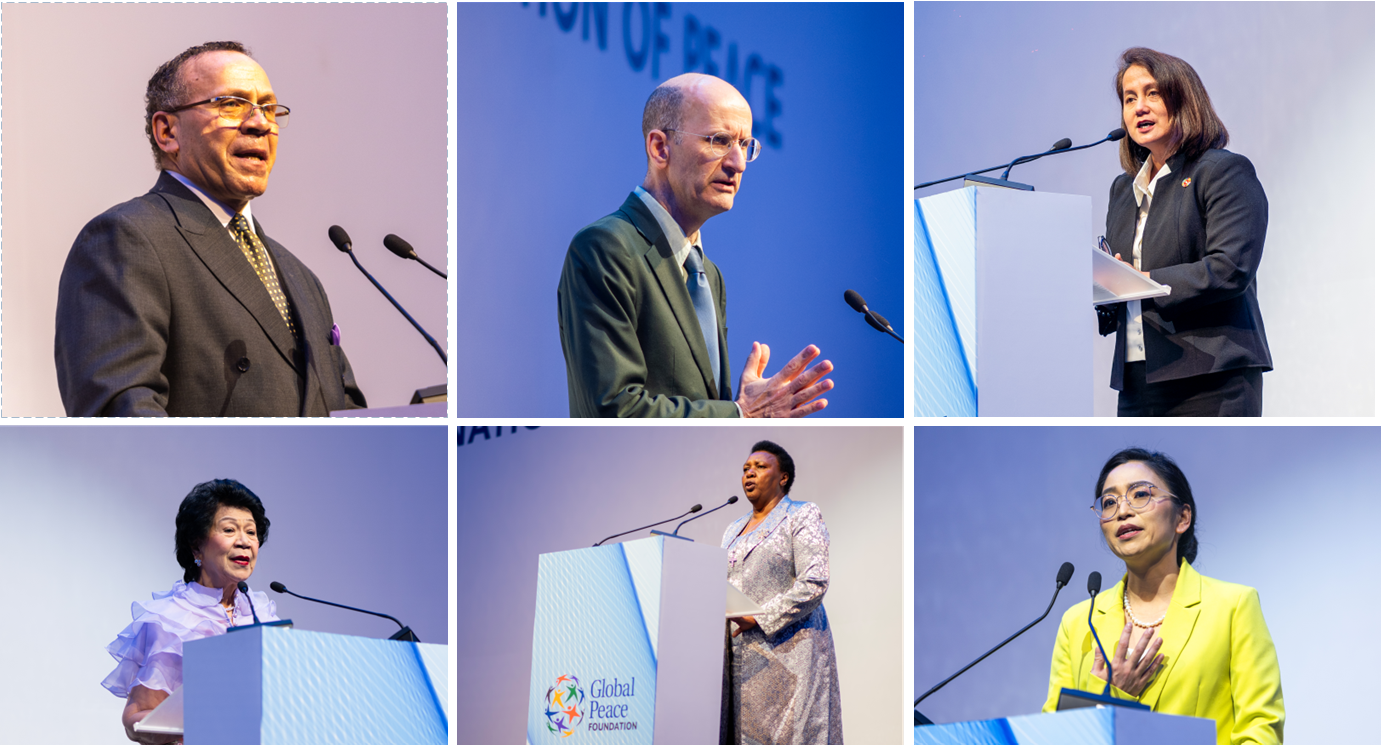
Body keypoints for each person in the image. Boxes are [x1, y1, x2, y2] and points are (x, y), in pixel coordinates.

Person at [55, 41, 367, 417]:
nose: (259, 124)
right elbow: (120, 409)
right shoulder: (126, 239)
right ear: (167, 131)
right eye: (231, 104)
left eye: (268, 108)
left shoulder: (302, 279)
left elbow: (346, 414)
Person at [558, 73, 834, 418]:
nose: (737, 164)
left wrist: (737, 413)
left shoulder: (708, 274)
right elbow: (615, 410)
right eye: (719, 141)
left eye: (745, 145)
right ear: (660, 148)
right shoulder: (606, 248)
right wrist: (737, 415)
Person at [1042, 448, 1284, 744]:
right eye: (1109, 502)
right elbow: (1052, 737)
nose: (1123, 511)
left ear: (1182, 517)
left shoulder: (1233, 607)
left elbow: (1260, 730)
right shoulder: (1079, 622)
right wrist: (1114, 694)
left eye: (1140, 494)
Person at [1098, 47, 1272, 416]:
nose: (1139, 107)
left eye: (1152, 93)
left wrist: (1144, 281)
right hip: (1137, 377)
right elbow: (1120, 287)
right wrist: (1102, 286)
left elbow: (1230, 268)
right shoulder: (1122, 190)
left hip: (1212, 374)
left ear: (1184, 98)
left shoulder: (1223, 172)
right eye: (1129, 99)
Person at [103, 480, 280, 744]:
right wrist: (197, 725)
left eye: (251, 532)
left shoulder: (263, 616)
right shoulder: (170, 619)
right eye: (230, 529)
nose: (244, 542)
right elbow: (136, 719)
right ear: (197, 546)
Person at [721, 441, 843, 744]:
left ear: (783, 477)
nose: (749, 474)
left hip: (789, 659)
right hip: (741, 662)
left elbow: (814, 581)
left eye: (760, 467)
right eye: (746, 469)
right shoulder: (732, 530)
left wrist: (760, 617)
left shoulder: (801, 515)